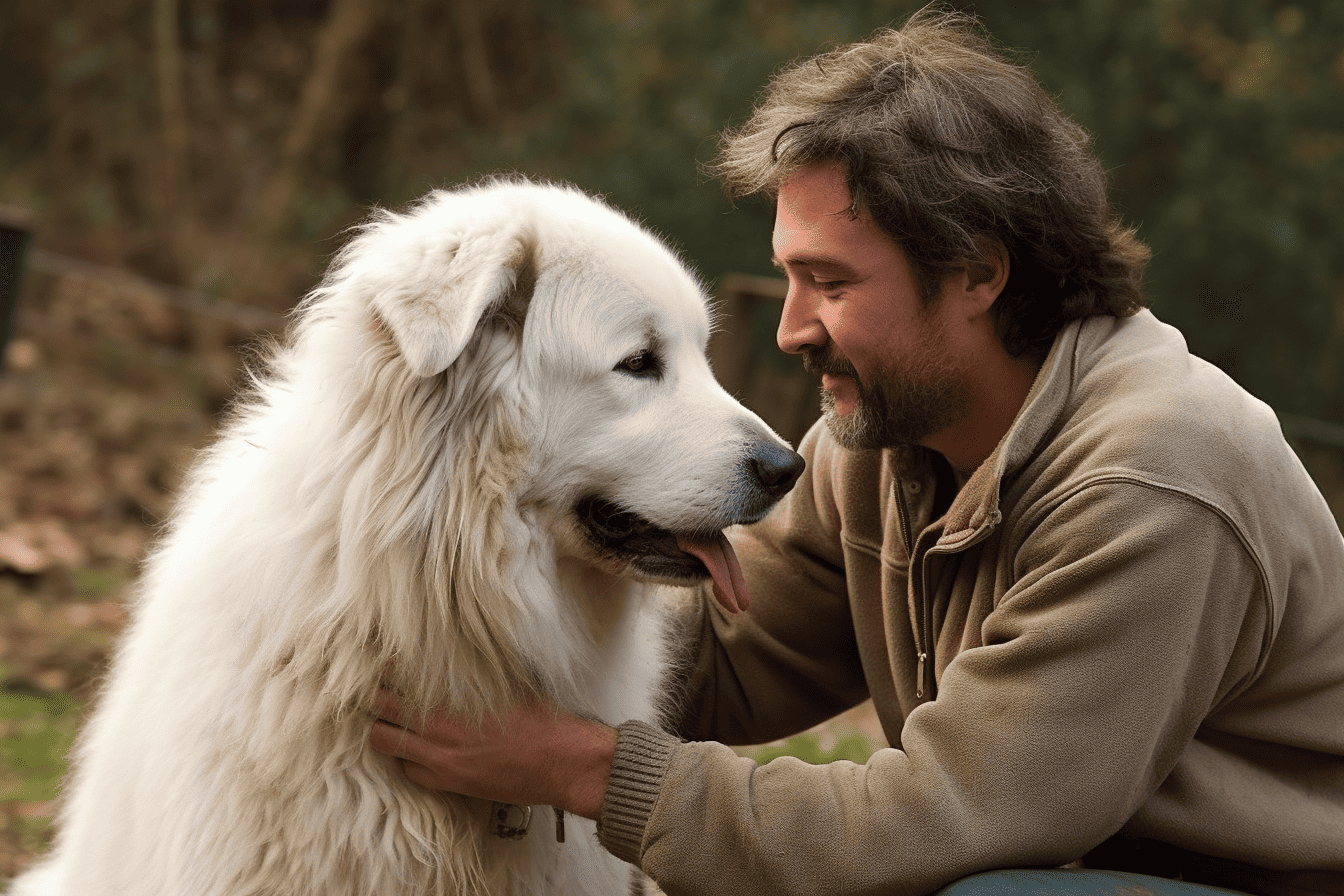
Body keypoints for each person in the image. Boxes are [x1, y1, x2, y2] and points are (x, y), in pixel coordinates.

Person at [370, 9, 1344, 895]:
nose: (792, 328)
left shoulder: (1152, 479)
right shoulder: (883, 440)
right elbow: (719, 664)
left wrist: (577, 765)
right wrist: (481, 590)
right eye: (788, 277)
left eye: (828, 282)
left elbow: (946, 820)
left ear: (976, 273)